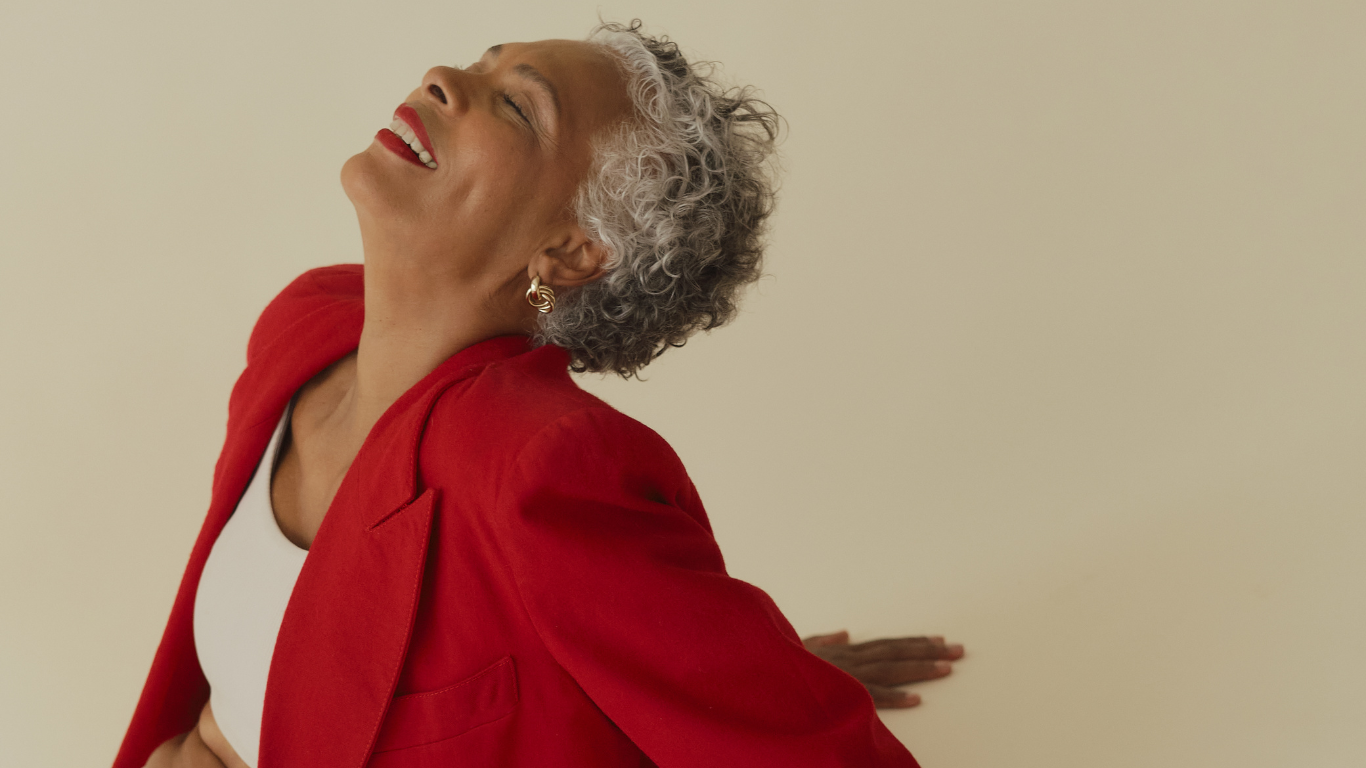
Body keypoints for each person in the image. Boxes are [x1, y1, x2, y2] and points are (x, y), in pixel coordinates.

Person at [114, 20, 964, 768]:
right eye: (487, 61)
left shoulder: (537, 466)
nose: (446, 77)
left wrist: (735, 694)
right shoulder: (304, 329)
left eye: (519, 106)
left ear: (569, 252)